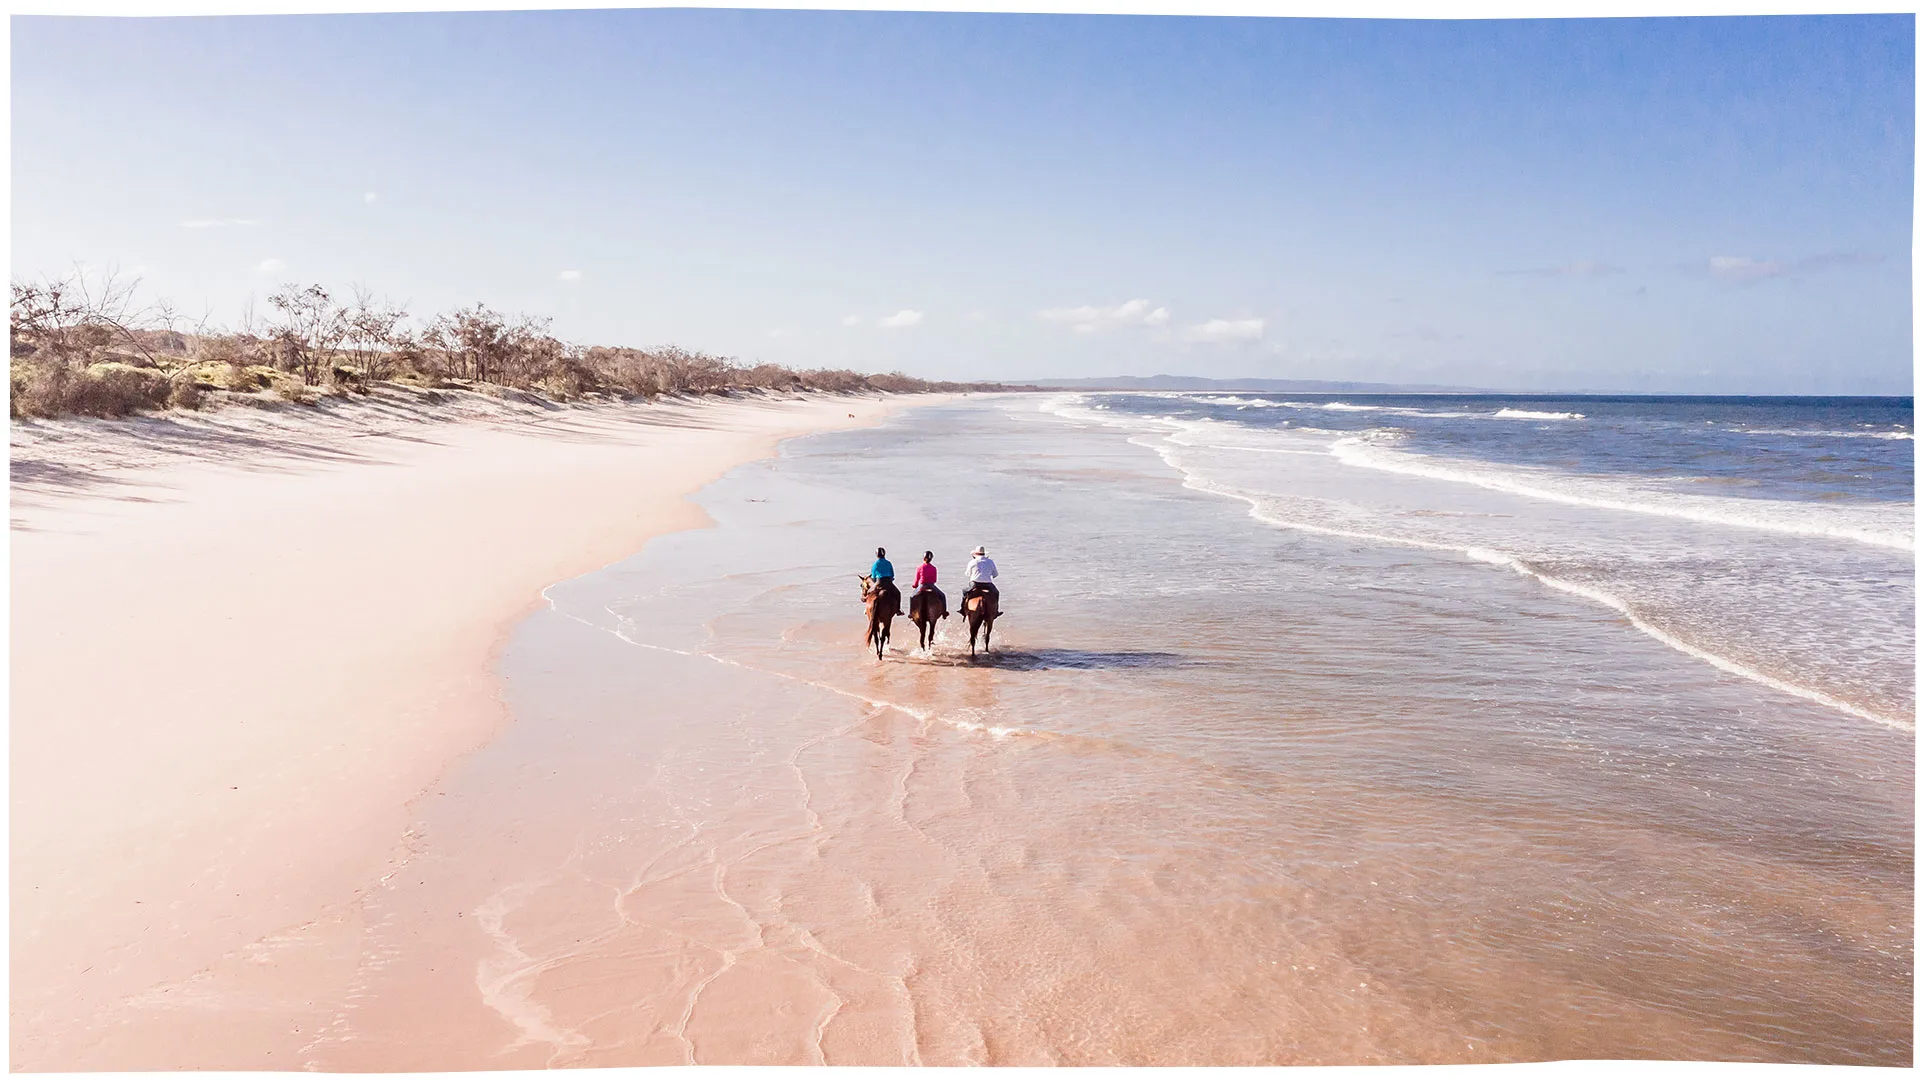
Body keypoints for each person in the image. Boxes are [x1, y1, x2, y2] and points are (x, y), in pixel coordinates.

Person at [962, 545, 998, 610]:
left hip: (975, 584)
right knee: (996, 593)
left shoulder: (972, 562)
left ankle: (962, 609)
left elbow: (967, 574)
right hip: (987, 584)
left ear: (975, 554)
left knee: (964, 591)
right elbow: (995, 574)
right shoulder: (990, 561)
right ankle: (996, 610)